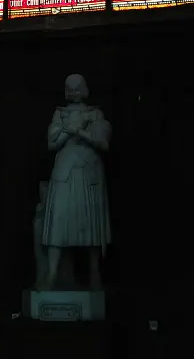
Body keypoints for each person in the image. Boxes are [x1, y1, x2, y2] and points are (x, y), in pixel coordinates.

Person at [41, 73, 111, 291]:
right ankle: (51, 274)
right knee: (58, 221)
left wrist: (80, 130)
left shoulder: (95, 113)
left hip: (88, 170)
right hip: (64, 170)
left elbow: (103, 143)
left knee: (90, 223)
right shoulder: (59, 114)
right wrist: (66, 130)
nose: (72, 92)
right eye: (68, 88)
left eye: (76, 87)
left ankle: (94, 273)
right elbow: (52, 144)